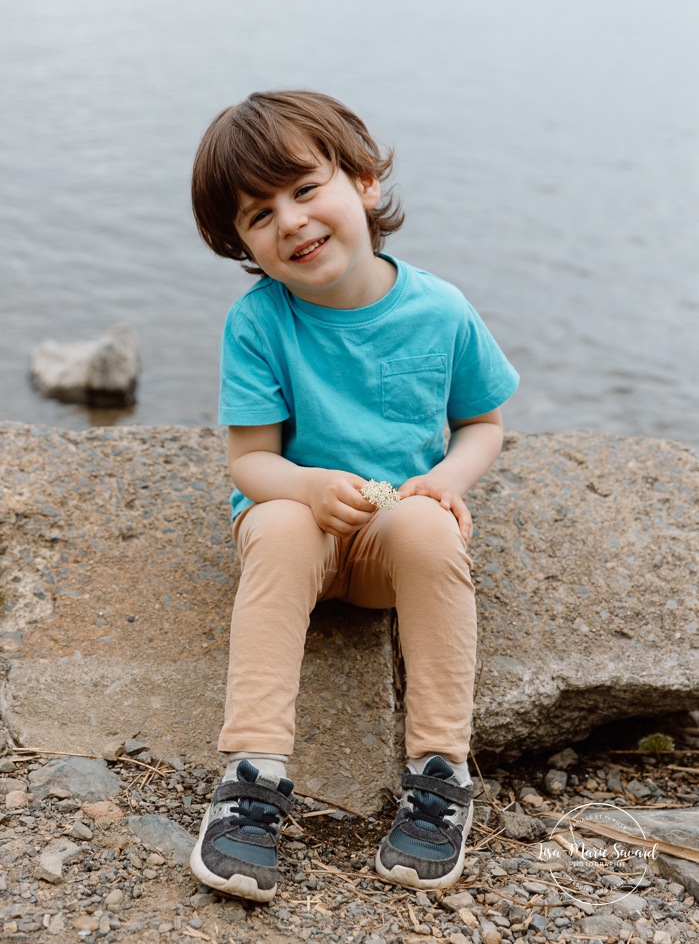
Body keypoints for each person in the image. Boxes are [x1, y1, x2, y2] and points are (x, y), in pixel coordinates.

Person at [188, 90, 519, 902]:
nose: (291, 222)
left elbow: (482, 422)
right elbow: (250, 461)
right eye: (259, 215)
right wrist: (303, 486)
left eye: (305, 190)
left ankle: (439, 775)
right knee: (277, 524)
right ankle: (250, 773)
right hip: (298, 533)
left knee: (432, 532)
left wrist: (445, 481)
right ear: (241, 245)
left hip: (383, 545)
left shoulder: (438, 310)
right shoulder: (259, 323)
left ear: (364, 183)